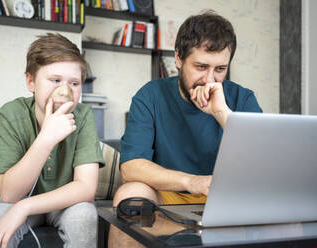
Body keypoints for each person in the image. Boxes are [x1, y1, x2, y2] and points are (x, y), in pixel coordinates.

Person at [109, 10, 262, 247]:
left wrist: (222, 114)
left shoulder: (242, 99)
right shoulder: (150, 95)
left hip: (226, 200)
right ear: (179, 59)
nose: (210, 80)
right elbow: (131, 167)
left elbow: (262, 163)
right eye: (201, 66)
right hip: (167, 196)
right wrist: (192, 182)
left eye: (220, 69)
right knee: (130, 195)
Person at [0, 33, 104, 248]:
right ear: (31, 81)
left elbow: (86, 188)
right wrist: (45, 139)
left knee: (84, 215)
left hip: (66, 203)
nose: (65, 91)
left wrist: (24, 208)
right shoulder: (10, 114)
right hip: (17, 198)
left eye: (74, 83)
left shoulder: (83, 116)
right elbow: (9, 194)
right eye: (55, 80)